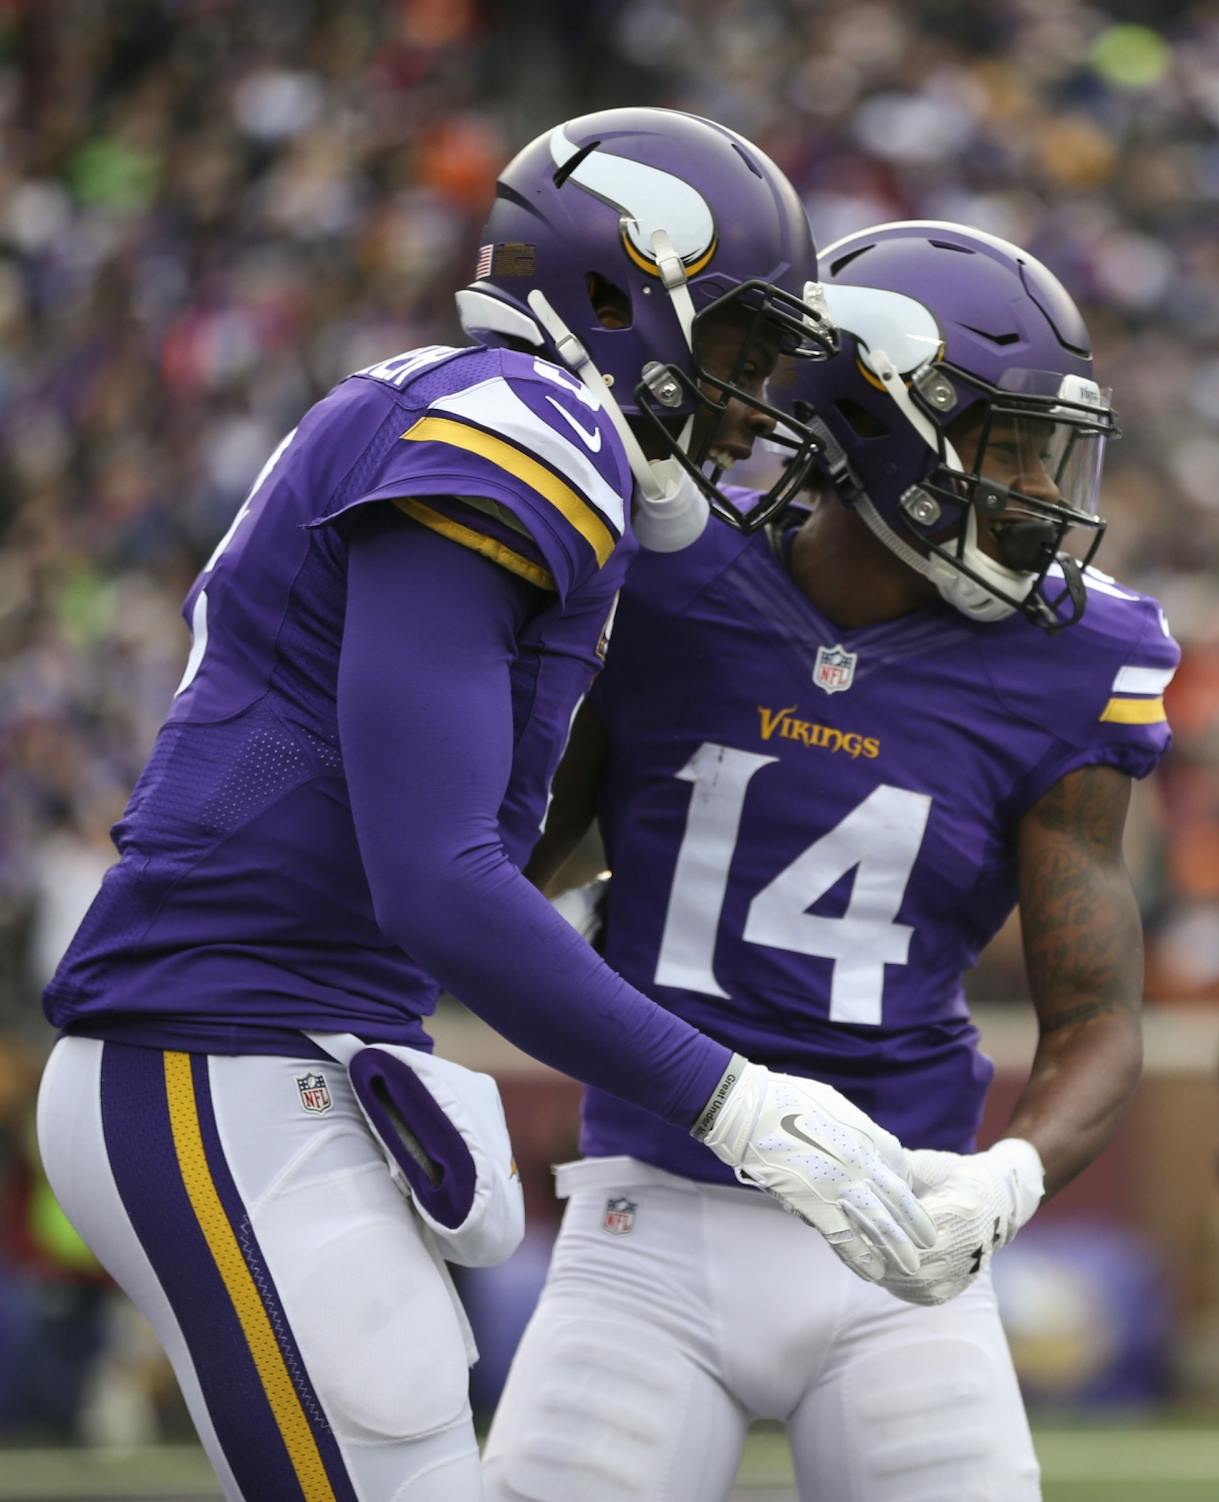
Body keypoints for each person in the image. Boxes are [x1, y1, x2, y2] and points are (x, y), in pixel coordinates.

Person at [32, 109, 937, 1501]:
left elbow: (460, 828)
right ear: (620, 287)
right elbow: (437, 876)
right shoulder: (521, 423)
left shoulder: (517, 423)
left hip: (290, 1041)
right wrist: (735, 1101)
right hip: (220, 1043)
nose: (757, 399)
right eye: (746, 347)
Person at [480, 220, 1177, 1502]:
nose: (1039, 490)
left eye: (1051, 448)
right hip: (649, 1212)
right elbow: (499, 862)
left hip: (899, 1229)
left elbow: (1099, 1019)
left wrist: (1004, 1178)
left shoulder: (1072, 662)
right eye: (1004, 443)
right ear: (875, 420)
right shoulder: (665, 573)